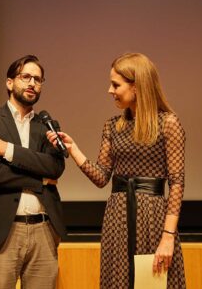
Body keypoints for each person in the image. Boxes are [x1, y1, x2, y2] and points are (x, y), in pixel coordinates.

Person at [47, 52, 186, 288]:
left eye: (115, 84)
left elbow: (177, 182)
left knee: (152, 283)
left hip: (151, 219)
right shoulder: (112, 126)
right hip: (118, 218)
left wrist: (167, 238)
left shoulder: (168, 123)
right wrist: (73, 149)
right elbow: (102, 177)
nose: (110, 90)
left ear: (137, 86)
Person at [0, 54, 66, 289]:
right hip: (1, 230)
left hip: (43, 229)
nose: (32, 83)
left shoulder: (48, 125)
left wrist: (6, 149)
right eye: (26, 77)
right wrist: (40, 179)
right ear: (10, 82)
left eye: (38, 79)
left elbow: (55, 167)